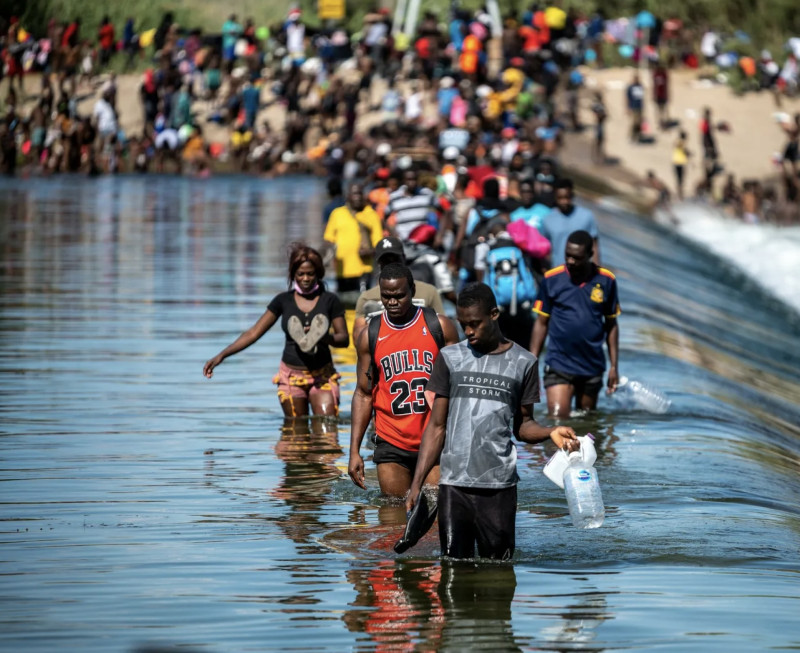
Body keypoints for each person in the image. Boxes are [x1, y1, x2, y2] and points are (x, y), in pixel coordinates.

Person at [406, 283, 577, 560]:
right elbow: (436, 427)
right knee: (452, 570)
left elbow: (523, 426)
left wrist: (550, 431)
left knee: (498, 569)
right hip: (454, 484)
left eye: (475, 323)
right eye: (463, 324)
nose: (469, 331)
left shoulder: (524, 362)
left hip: (498, 487)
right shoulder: (450, 358)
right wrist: (417, 484)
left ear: (494, 314)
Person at [348, 263, 459, 497]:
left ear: (413, 291)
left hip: (435, 437)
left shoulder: (440, 327)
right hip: (391, 440)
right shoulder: (370, 335)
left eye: (399, 295)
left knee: (435, 509)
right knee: (393, 516)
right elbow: (363, 393)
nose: (393, 302)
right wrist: (354, 451)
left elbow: (459, 387)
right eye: (386, 296)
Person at [203, 244, 349, 417]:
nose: (306, 278)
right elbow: (253, 333)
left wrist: (325, 338)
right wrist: (222, 355)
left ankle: (312, 340)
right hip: (291, 376)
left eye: (310, 274)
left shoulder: (329, 300)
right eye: (300, 274)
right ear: (293, 274)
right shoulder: (283, 301)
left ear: (318, 274)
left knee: (327, 432)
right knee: (296, 436)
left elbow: (344, 339)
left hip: (322, 375)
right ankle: (304, 340)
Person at [531, 230, 620, 418]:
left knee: (586, 424)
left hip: (591, 366)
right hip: (558, 363)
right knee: (556, 420)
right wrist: (532, 362)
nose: (571, 261)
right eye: (567, 255)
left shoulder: (606, 280)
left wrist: (614, 366)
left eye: (577, 258)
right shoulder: (552, 279)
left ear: (589, 255)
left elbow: (611, 324)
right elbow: (541, 323)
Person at [352, 237, 445, 342]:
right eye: (385, 260)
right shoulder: (366, 297)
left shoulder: (429, 291)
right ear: (378, 263)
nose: (391, 263)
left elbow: (442, 330)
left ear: (404, 258)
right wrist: (374, 323)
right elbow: (357, 339)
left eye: (395, 259)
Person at [323, 182, 383, 297]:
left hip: (364, 269)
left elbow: (378, 243)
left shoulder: (372, 214)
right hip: (342, 270)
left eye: (360, 193)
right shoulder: (337, 214)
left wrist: (369, 251)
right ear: (348, 196)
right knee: (344, 303)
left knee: (362, 301)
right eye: (355, 194)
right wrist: (326, 259)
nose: (358, 197)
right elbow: (329, 240)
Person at [540, 178, 600, 267]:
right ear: (555, 197)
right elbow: (544, 247)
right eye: (560, 198)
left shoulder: (587, 216)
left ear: (572, 195)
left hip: (582, 272)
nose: (564, 201)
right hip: (558, 270)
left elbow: (594, 246)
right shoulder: (547, 219)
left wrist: (597, 270)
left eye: (567, 197)